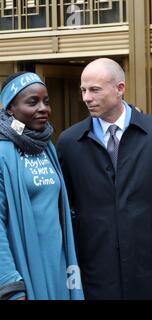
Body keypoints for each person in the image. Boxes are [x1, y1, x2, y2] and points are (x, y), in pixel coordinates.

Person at [56, 58, 152, 300]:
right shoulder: (69, 142)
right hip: (94, 269)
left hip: (151, 267)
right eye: (83, 90)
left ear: (120, 89)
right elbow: (63, 210)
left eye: (95, 89)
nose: (87, 97)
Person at [0, 72, 83, 300]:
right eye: (32, 102)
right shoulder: (3, 151)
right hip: (24, 267)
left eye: (46, 101)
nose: (43, 108)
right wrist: (9, 283)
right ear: (10, 109)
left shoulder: (46, 147)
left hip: (58, 266)